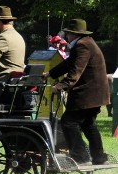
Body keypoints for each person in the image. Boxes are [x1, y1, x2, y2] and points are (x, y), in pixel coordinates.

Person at [43, 18, 111, 165]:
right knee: (88, 124)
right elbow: (69, 63)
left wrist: (59, 86)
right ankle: (99, 157)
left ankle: (80, 156)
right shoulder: (86, 43)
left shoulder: (82, 46)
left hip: (87, 93)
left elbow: (75, 72)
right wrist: (50, 74)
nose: (66, 36)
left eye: (68, 33)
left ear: (73, 34)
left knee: (68, 122)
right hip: (96, 93)